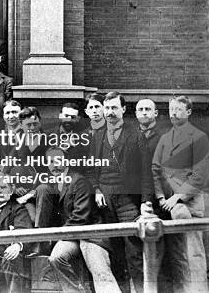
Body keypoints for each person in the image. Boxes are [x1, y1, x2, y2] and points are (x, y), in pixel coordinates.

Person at [90, 92, 151, 292]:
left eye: (114, 108)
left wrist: (145, 201)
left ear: (123, 109)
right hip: (104, 201)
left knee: (134, 253)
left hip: (127, 200)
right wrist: (97, 189)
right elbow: (91, 169)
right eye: (107, 108)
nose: (110, 112)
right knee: (114, 252)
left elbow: (145, 172)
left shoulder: (136, 135)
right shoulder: (97, 135)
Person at [152, 95, 209, 293]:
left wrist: (177, 197)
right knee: (177, 256)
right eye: (171, 109)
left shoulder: (198, 137)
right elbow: (156, 169)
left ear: (188, 112)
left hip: (189, 206)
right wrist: (161, 198)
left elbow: (200, 175)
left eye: (178, 109)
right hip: (168, 206)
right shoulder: (165, 138)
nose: (174, 113)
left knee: (192, 254)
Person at [45, 152, 121, 293]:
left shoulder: (79, 181)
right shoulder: (52, 183)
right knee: (56, 258)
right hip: (72, 235)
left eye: (57, 160)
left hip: (90, 233)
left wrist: (58, 234)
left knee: (100, 270)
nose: (54, 165)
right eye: (50, 161)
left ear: (67, 162)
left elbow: (81, 217)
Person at [0, 172, 34, 293]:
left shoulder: (18, 210)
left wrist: (17, 245)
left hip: (6, 260)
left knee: (11, 257)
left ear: (11, 191)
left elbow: (23, 230)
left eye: (3, 187)